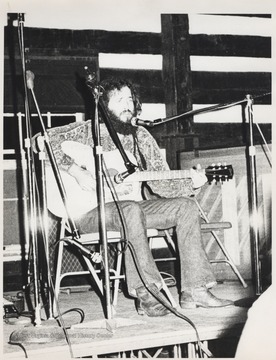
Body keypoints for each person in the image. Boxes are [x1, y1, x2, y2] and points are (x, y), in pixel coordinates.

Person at [42, 78, 233, 317]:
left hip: (130, 209)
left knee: (185, 206)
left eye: (130, 99)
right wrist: (76, 171)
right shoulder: (87, 131)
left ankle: (195, 290)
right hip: (87, 213)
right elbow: (41, 141)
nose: (127, 104)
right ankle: (147, 293)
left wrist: (191, 183)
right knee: (131, 209)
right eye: (119, 99)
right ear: (103, 105)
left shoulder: (141, 137)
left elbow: (163, 183)